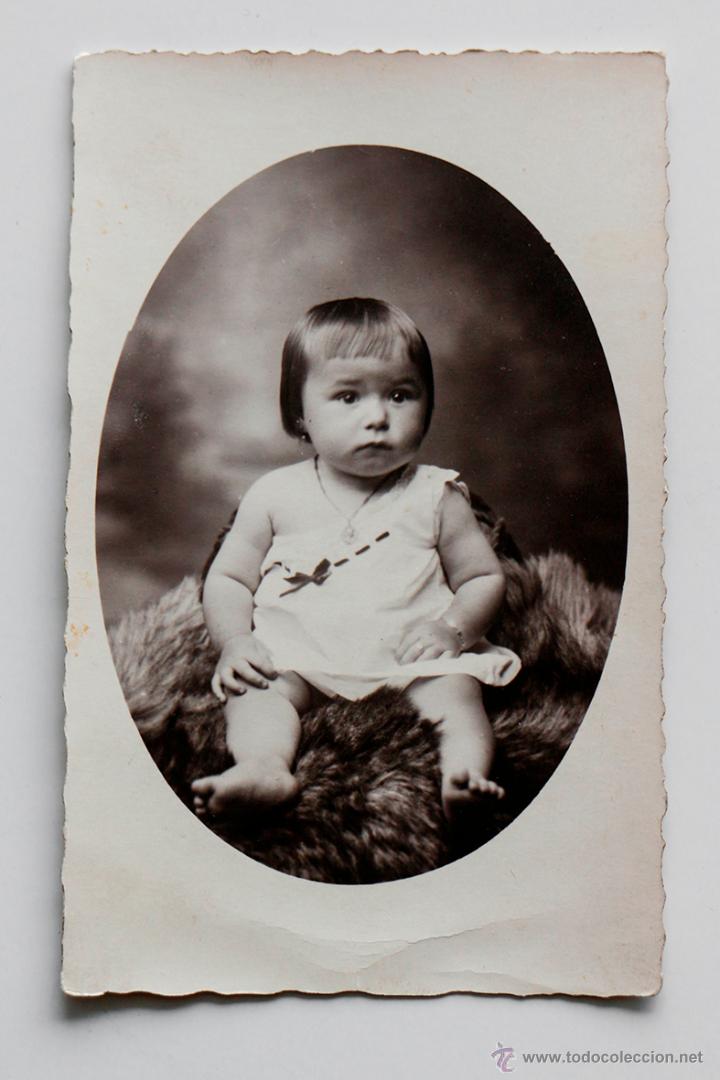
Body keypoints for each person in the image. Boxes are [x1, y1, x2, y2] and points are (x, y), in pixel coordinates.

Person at [192, 298, 521, 822]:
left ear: (428, 405)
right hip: (300, 654)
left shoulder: (437, 494)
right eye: (347, 396)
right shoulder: (275, 493)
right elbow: (229, 578)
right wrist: (236, 640)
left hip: (411, 658)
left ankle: (462, 778)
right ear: (300, 414)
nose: (377, 417)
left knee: (455, 696)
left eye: (399, 394)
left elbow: (483, 576)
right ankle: (264, 767)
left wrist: (452, 631)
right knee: (259, 694)